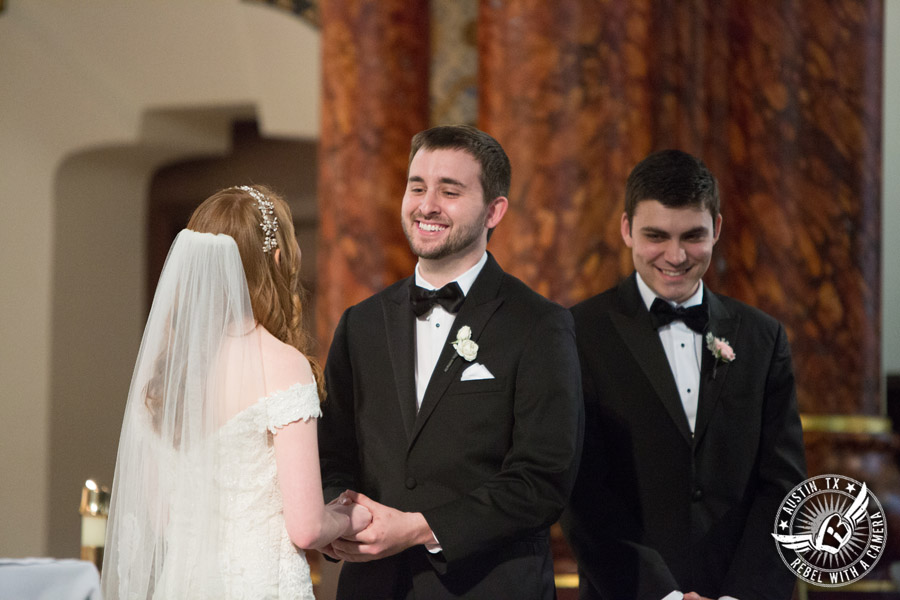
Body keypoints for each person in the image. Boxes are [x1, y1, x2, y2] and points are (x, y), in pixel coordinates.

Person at [317, 125, 584, 599]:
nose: (427, 204)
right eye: (417, 186)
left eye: (450, 190)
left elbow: (541, 481)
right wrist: (340, 516)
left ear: (493, 210)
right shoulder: (361, 324)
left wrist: (422, 528)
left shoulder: (540, 325)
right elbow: (332, 453)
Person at [101, 185, 371, 599]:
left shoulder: (165, 374)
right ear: (278, 261)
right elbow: (307, 527)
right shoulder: (283, 365)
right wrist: (351, 516)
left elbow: (163, 519)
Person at [562, 149, 807, 600]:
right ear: (626, 230)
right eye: (656, 235)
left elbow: (784, 488)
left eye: (692, 236)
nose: (675, 256)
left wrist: (741, 594)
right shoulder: (577, 333)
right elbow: (582, 493)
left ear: (716, 228)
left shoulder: (762, 337)